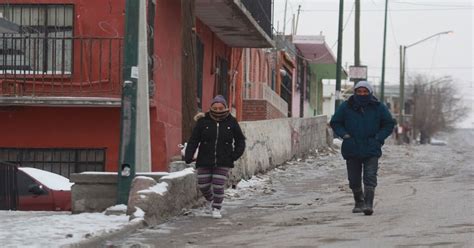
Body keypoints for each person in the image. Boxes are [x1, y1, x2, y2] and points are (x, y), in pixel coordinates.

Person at [330, 81, 395, 215]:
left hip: (371, 147)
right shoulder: (346, 106)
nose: (362, 94)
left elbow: (388, 123)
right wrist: (344, 135)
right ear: (355, 92)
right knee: (353, 179)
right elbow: (335, 122)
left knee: (370, 176)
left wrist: (378, 138)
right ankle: (359, 201)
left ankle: (368, 204)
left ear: (370, 93)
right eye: (359, 91)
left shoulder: (378, 107)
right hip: (352, 147)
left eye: (365, 92)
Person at [184, 95, 246, 219]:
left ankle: (216, 208)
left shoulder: (231, 122)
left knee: (218, 184)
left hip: (224, 160)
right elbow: (194, 140)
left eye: (220, 108)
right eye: (215, 108)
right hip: (204, 159)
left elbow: (240, 140)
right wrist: (188, 155)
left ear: (225, 107)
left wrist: (233, 156)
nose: (218, 110)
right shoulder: (203, 121)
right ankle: (211, 200)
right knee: (203, 184)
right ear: (211, 108)